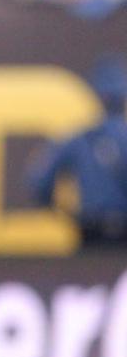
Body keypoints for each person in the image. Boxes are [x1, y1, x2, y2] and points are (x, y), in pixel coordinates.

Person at [30, 56, 127, 247]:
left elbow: (38, 181)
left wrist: (64, 213)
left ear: (98, 97)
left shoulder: (80, 139)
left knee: (92, 276)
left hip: (90, 233)